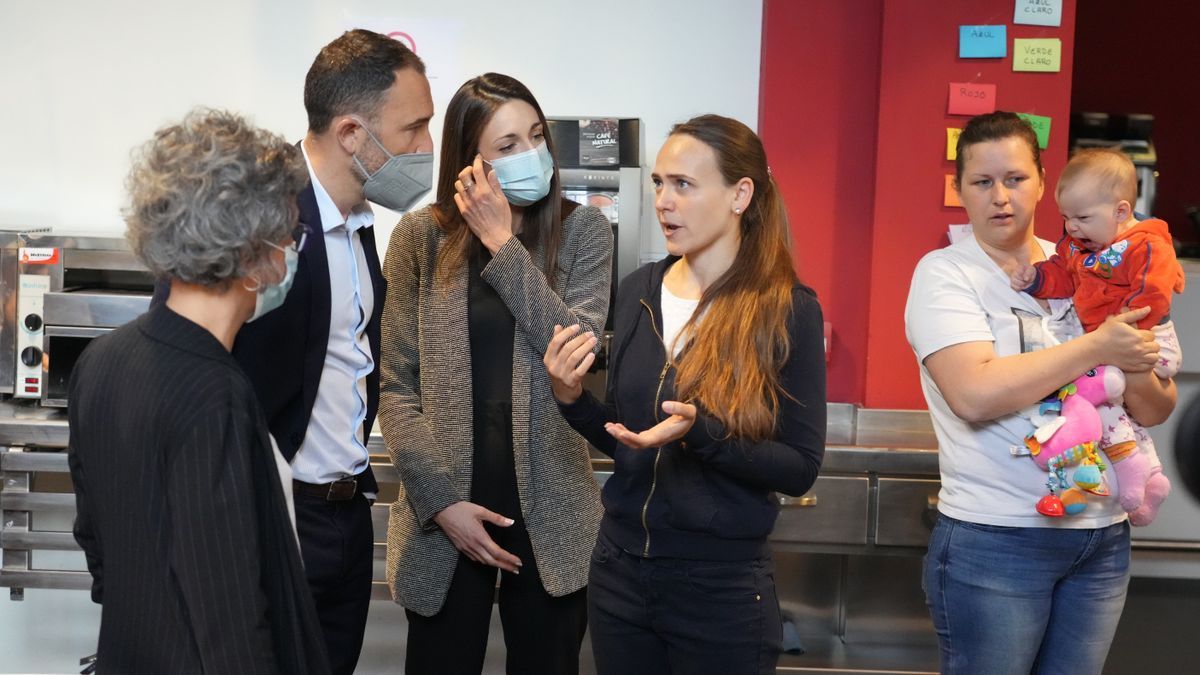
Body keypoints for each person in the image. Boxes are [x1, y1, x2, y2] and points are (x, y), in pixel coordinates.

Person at [151, 29, 435, 674]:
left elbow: (345, 366)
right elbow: (176, 355)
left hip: (346, 515)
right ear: (352, 134)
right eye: (414, 128)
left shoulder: (362, 222)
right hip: (267, 518)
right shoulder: (250, 207)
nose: (426, 149)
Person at [543, 114, 826, 675]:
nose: (664, 202)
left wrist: (704, 433)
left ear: (740, 194)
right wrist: (572, 398)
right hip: (620, 574)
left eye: (684, 185)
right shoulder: (637, 291)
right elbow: (629, 436)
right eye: (658, 183)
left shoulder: (787, 308)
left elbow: (799, 468)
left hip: (719, 589)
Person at [904, 111, 1178, 674]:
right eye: (982, 182)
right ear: (959, 189)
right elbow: (975, 394)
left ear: (1042, 181)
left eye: (1015, 179)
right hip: (997, 538)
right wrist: (1101, 345)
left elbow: (1155, 406)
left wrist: (1131, 359)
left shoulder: (1094, 263)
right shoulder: (946, 273)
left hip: (1100, 539)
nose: (1000, 197)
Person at [68, 108, 329, 674]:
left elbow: (98, 546)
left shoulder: (101, 362)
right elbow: (231, 616)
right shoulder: (216, 394)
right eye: (290, 235)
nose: (293, 252)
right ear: (252, 255)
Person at [378, 73, 611, 674]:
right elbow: (396, 385)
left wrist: (501, 242)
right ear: (468, 164)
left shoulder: (583, 231)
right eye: (506, 146)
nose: (530, 154)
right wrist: (440, 502)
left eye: (535, 136)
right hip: (444, 517)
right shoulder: (420, 239)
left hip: (552, 517)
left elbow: (575, 346)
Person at [1007, 147, 1183, 524]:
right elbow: (1062, 276)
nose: (1071, 227)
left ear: (1121, 211)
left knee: (1091, 396)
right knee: (1110, 412)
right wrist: (1036, 278)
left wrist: (1125, 329)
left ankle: (1129, 472)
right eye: (1067, 217)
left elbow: (1153, 291)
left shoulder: (1146, 243)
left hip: (1148, 339)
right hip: (1111, 345)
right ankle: (1149, 477)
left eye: (1083, 217)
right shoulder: (1078, 246)